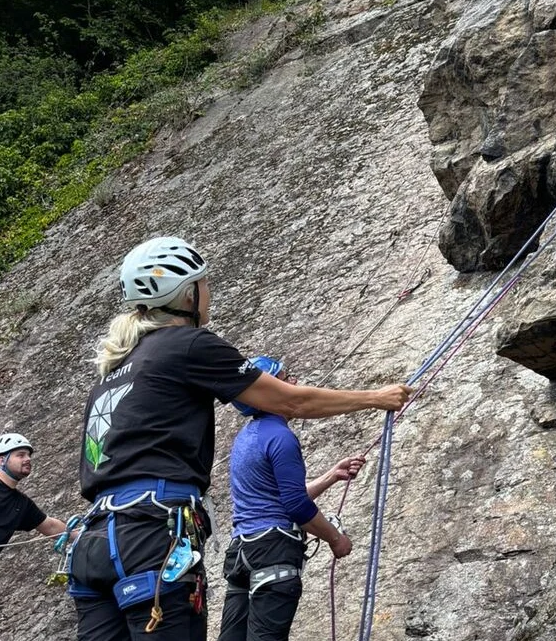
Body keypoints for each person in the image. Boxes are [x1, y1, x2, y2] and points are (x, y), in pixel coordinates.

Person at [65, 237, 412, 640]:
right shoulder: (187, 345)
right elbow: (292, 401)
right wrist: (375, 398)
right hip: (148, 539)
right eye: (204, 283)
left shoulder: (112, 373)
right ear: (186, 293)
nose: (209, 293)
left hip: (94, 544)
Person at [217, 356, 368, 641]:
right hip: (272, 553)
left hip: (241, 554)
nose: (294, 383)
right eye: (286, 379)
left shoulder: (246, 438)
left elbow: (273, 499)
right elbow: (296, 506)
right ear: (269, 392)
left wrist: (330, 477)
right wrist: (336, 539)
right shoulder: (281, 437)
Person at [0, 434, 76, 641]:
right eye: (20, 454)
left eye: (29, 455)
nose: (27, 459)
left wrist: (88, 535)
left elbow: (50, 526)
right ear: (1, 460)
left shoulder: (22, 505)